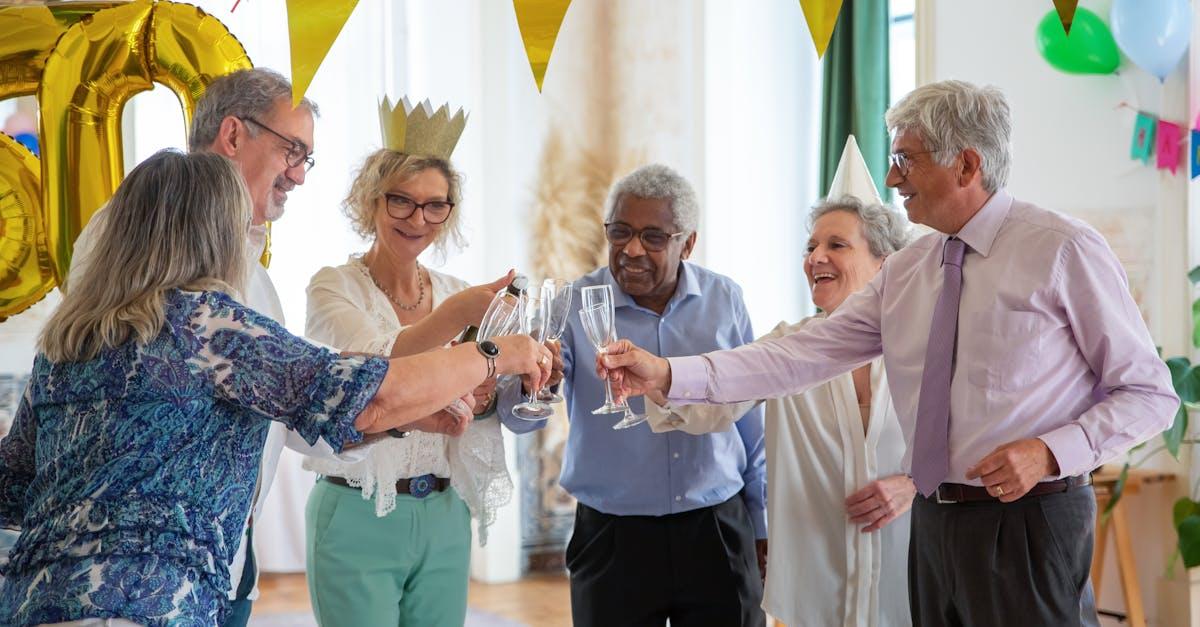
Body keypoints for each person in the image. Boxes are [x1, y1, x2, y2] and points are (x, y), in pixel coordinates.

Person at [600, 80, 1178, 627]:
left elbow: (1149, 395)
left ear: (966, 165)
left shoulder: (1061, 249)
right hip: (933, 524)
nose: (893, 177)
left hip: (1027, 519)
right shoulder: (909, 270)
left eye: (906, 159)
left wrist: (1050, 453)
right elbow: (797, 355)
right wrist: (666, 372)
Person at [0, 149, 551, 626]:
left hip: (37, 599)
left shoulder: (67, 338)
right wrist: (495, 354)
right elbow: (367, 393)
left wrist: (400, 419)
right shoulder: (206, 324)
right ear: (213, 235)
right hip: (150, 603)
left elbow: (16, 482)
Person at [68, 68, 338, 625]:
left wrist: (371, 412)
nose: (298, 175)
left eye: (306, 159)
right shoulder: (128, 232)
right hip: (141, 576)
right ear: (233, 134)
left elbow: (278, 401)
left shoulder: (256, 275)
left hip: (227, 556)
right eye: (293, 150)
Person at [499, 163, 768, 627]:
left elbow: (750, 421)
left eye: (653, 237)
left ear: (688, 243)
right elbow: (519, 419)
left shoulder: (725, 299)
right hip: (612, 539)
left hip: (717, 529)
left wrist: (761, 522)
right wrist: (536, 384)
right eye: (620, 231)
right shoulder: (573, 303)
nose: (632, 249)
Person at [646, 195, 914, 626]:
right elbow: (717, 399)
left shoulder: (922, 348)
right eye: (811, 247)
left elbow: (966, 442)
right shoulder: (788, 346)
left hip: (907, 583)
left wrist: (914, 483)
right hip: (811, 591)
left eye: (836, 245)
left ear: (886, 264)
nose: (815, 258)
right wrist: (658, 380)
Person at [302, 135, 513, 625]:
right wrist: (456, 319)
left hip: (444, 512)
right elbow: (376, 372)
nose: (418, 219)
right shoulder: (333, 286)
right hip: (356, 510)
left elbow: (477, 406)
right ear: (371, 200)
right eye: (401, 200)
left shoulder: (458, 291)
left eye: (434, 205)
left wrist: (486, 394)